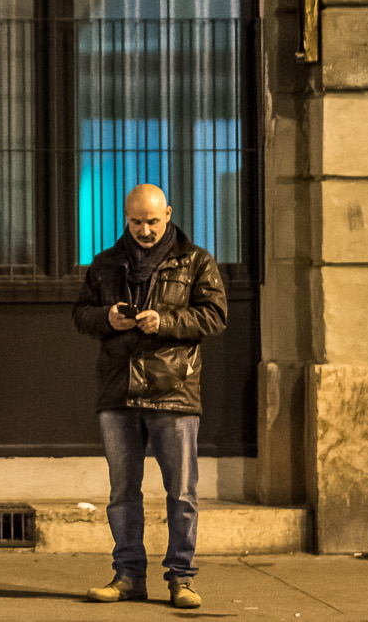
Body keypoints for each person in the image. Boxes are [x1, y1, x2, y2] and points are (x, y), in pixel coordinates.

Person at [72, 182, 227, 610]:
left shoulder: (196, 261)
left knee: (181, 493)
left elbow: (215, 315)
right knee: (123, 492)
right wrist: (108, 318)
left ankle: (181, 578)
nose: (145, 230)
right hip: (118, 389)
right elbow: (80, 314)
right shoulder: (106, 264)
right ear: (126, 217)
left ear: (169, 214)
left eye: (153, 221)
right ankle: (128, 576)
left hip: (173, 389)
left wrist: (166, 321)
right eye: (137, 221)